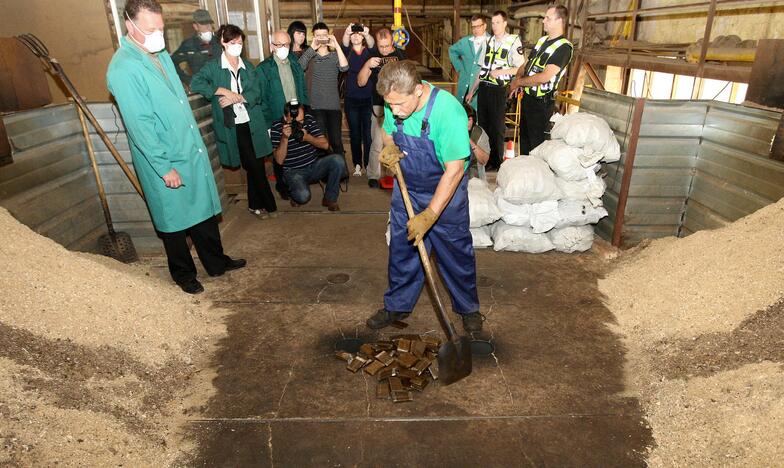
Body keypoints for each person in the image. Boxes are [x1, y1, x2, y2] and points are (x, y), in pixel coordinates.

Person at [107, 0, 245, 295]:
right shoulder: (124, 68)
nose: (158, 33)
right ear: (130, 26)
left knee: (203, 211)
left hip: (188, 148)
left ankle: (216, 262)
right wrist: (163, 166)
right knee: (174, 219)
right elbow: (140, 124)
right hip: (165, 156)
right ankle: (183, 274)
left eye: (161, 27)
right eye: (150, 28)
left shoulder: (160, 54)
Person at [366, 60, 483, 333]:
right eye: (389, 104)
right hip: (408, 187)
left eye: (399, 105)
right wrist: (390, 146)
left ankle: (468, 309)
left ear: (418, 90)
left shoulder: (448, 112)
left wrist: (430, 215)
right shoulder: (395, 97)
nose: (394, 110)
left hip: (446, 193)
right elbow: (387, 130)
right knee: (402, 251)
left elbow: (454, 172)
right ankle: (397, 304)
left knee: (454, 252)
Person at [191, 24, 277, 219]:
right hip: (231, 125)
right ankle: (268, 205)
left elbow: (256, 92)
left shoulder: (248, 66)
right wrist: (223, 91)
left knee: (255, 164)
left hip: (251, 121)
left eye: (240, 42)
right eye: (232, 42)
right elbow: (197, 82)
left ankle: (257, 205)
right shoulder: (214, 67)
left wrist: (236, 97)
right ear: (222, 42)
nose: (237, 45)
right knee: (253, 165)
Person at [509, 4, 574, 155]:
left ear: (559, 21)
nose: (543, 21)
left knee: (536, 146)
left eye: (548, 18)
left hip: (541, 105)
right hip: (528, 99)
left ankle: (535, 176)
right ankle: (524, 174)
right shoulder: (542, 40)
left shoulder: (564, 48)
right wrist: (518, 78)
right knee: (524, 141)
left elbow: (544, 77)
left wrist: (518, 82)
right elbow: (527, 65)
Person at [465, 10, 524, 171]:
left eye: (498, 22)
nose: (495, 26)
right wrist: (472, 91)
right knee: (484, 125)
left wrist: (501, 72)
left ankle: (497, 162)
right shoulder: (488, 42)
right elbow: (482, 69)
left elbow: (520, 68)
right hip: (484, 88)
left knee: (497, 126)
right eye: (493, 23)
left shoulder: (513, 41)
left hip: (499, 89)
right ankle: (486, 158)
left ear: (505, 23)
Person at [256, 30, 310, 201]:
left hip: (296, 112)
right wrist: (267, 125)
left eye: (286, 44)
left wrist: (305, 110)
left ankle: (298, 178)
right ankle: (281, 184)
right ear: (272, 46)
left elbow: (302, 87)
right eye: (279, 45)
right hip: (276, 116)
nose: (283, 48)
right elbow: (262, 98)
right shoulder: (264, 68)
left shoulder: (294, 64)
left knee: (298, 144)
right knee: (279, 151)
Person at [270, 101, 346, 211]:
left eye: (301, 121)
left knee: (338, 160)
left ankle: (330, 198)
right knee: (303, 196)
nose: (298, 125)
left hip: (313, 165)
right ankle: (295, 194)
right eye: (294, 122)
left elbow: (325, 145)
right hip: (292, 171)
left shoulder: (308, 119)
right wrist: (284, 138)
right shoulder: (277, 126)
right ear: (285, 117)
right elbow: (279, 160)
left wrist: (308, 138)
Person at [358, 28, 406, 188]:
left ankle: (392, 175)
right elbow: (361, 82)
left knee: (396, 142)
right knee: (377, 142)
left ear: (392, 42)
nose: (384, 49)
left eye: (387, 46)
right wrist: (367, 65)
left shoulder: (400, 56)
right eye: (381, 46)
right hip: (379, 105)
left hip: (398, 105)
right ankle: (373, 175)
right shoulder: (372, 56)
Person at [299, 22, 348, 157]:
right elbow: (299, 68)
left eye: (324, 35)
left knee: (336, 142)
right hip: (316, 106)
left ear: (329, 36)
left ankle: (341, 174)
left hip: (333, 107)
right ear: (313, 37)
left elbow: (344, 67)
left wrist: (336, 45)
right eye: (318, 35)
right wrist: (312, 48)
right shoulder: (310, 55)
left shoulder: (334, 56)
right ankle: (324, 174)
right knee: (320, 143)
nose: (321, 38)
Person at [341, 22, 375, 177]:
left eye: (358, 34)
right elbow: (344, 43)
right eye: (353, 34)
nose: (356, 36)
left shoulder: (369, 52)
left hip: (368, 99)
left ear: (362, 37)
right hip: (351, 99)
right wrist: (348, 32)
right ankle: (357, 164)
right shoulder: (347, 52)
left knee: (367, 134)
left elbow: (374, 46)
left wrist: (366, 33)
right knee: (355, 134)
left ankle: (368, 163)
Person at [448, 14, 489, 110]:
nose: (475, 30)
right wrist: (460, 68)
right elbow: (452, 51)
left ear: (485, 26)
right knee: (461, 112)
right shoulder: (465, 42)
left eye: (478, 26)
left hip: (481, 87)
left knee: (478, 115)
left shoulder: (491, 42)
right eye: (473, 27)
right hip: (464, 85)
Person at [172, 9, 221, 87]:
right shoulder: (189, 45)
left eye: (209, 24)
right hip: (203, 90)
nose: (208, 27)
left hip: (223, 87)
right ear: (195, 26)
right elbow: (172, 62)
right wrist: (188, 80)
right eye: (203, 24)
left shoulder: (220, 41)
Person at [463, 103, 490, 180]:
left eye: (469, 120)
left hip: (475, 174)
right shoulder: (452, 132)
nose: (466, 123)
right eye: (463, 119)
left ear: (473, 120)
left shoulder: (479, 133)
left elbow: (484, 160)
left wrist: (471, 142)